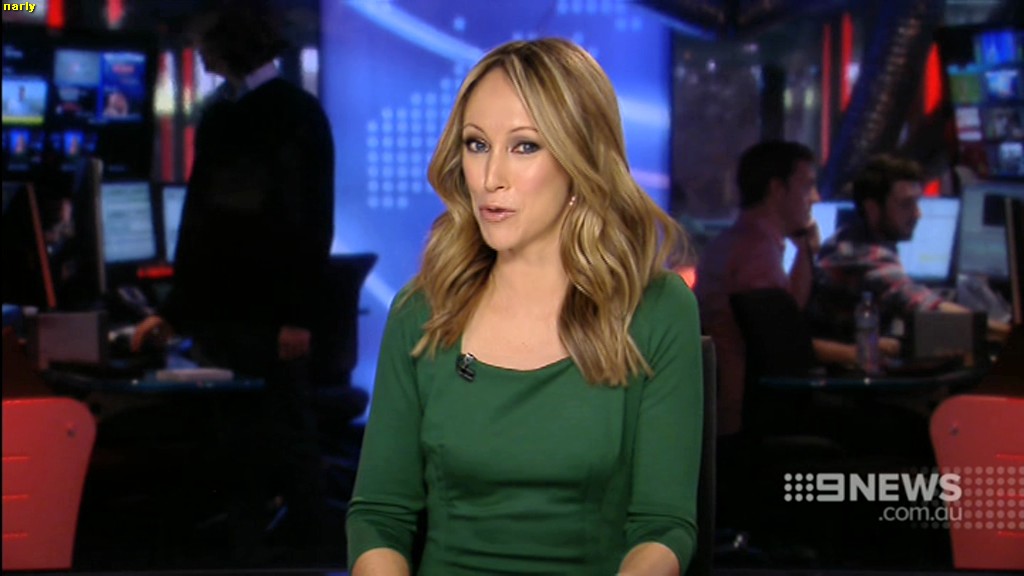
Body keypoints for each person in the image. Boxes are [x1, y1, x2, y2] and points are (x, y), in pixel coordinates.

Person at [347, 38, 703, 575]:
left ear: (580, 160)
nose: (490, 178)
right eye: (476, 144)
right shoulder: (423, 310)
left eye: (525, 147)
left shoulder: (656, 309)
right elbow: (380, 517)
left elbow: (663, 527)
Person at [131, 2, 335, 563]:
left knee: (289, 440)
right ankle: (248, 557)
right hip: (221, 313)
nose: (200, 54)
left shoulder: (296, 114)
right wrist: (174, 311)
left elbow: (311, 223)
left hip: (271, 316)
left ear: (232, 47)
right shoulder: (219, 114)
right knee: (234, 445)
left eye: (208, 44)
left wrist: (297, 317)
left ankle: (319, 557)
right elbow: (201, 220)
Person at [694, 140, 891, 439]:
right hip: (751, 419)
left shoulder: (738, 242)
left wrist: (804, 249)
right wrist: (862, 352)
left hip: (745, 408)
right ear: (777, 189)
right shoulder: (754, 253)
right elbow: (783, 344)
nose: (815, 198)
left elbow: (788, 313)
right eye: (807, 186)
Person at [809, 154, 1011, 343]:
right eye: (906, 204)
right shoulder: (860, 254)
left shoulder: (853, 237)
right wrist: (1010, 335)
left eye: (916, 203)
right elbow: (926, 309)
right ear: (872, 208)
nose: (918, 214)